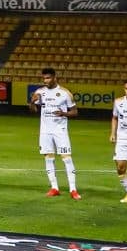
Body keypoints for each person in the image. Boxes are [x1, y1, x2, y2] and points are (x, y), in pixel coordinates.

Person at [31, 67, 81, 199]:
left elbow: (75, 112)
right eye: (43, 78)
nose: (45, 81)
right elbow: (33, 110)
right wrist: (32, 102)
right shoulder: (40, 92)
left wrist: (64, 113)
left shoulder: (65, 93)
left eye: (47, 78)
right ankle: (54, 188)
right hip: (45, 131)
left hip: (60, 131)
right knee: (49, 158)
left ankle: (73, 189)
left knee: (67, 158)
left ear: (54, 78)